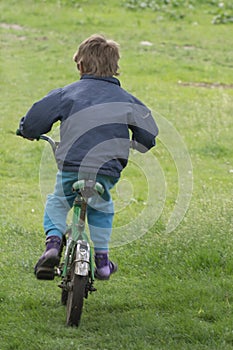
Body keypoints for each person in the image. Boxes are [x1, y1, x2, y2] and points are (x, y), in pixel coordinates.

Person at [18, 34, 159, 280]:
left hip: (72, 165)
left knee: (59, 200)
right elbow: (148, 133)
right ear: (115, 69)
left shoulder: (67, 94)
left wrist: (28, 131)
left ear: (80, 66)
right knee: (102, 207)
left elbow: (35, 120)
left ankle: (52, 245)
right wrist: (140, 143)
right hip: (106, 170)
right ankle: (102, 261)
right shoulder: (126, 100)